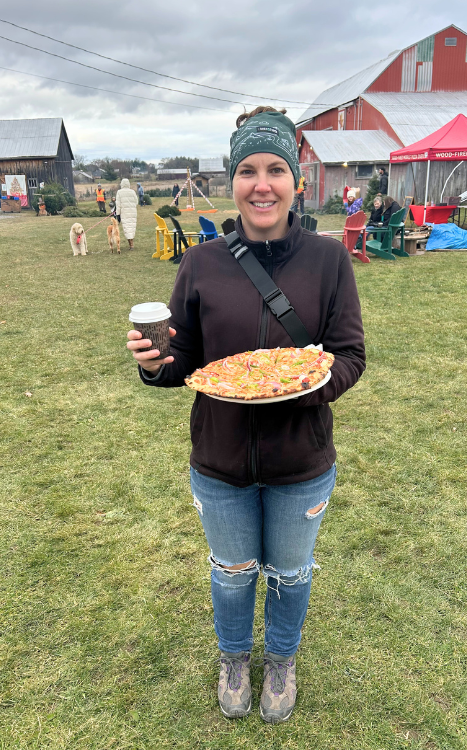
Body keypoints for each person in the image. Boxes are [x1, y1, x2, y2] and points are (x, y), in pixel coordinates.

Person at [126, 106, 365, 724]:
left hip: (301, 459)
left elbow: (348, 356)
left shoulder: (329, 259)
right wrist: (155, 363)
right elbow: (186, 360)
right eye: (248, 171)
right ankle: (235, 658)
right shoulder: (202, 262)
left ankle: (280, 661)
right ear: (232, 182)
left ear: (296, 182)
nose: (263, 183)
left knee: (290, 571)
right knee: (232, 573)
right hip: (220, 459)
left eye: (277, 169)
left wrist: (300, 386)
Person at [115, 178, 138, 249]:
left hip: (124, 212)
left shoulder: (119, 192)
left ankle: (130, 244)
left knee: (127, 227)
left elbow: (118, 204)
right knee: (132, 227)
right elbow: (136, 202)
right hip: (133, 212)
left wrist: (118, 214)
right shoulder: (132, 192)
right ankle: (132, 244)